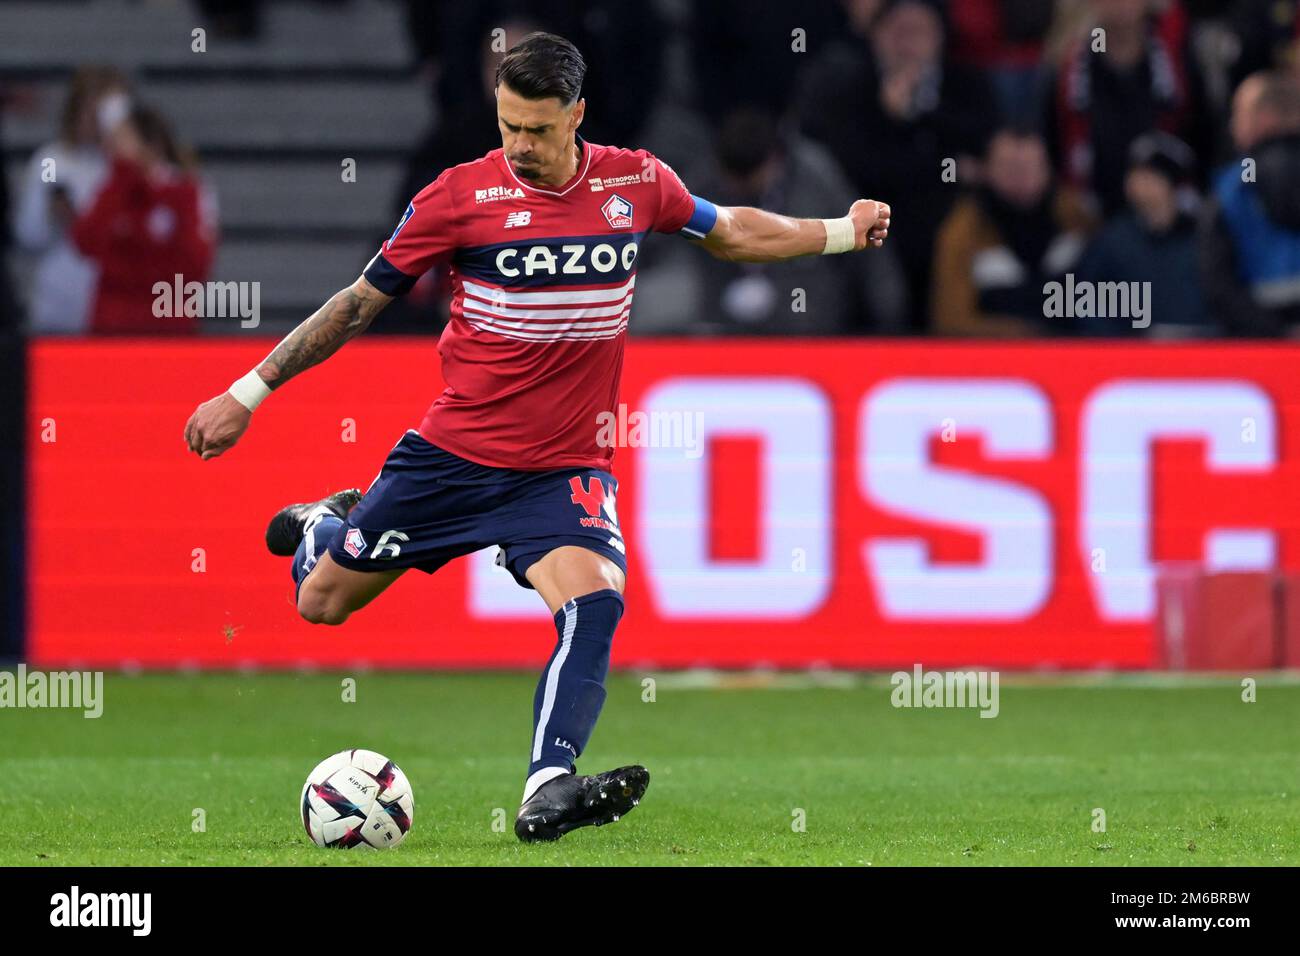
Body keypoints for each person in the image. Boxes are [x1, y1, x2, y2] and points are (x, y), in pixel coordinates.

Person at [182, 33, 892, 842]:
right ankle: (322, 526)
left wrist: (838, 231)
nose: (519, 146)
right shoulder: (456, 198)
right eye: (508, 125)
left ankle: (547, 784)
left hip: (561, 468)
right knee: (321, 605)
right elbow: (357, 303)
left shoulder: (636, 181)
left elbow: (731, 230)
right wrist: (249, 391)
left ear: (577, 116)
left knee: (597, 601)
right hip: (452, 458)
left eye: (538, 129)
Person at [931, 127, 1091, 336]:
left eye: (1030, 166)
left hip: (1075, 352)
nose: (1020, 176)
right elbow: (950, 320)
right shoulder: (962, 230)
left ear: (1048, 168)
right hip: (993, 356)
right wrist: (1028, 336)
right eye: (1008, 166)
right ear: (986, 169)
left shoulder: (1077, 218)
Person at [70, 105, 216, 334]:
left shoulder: (188, 192)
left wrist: (133, 267)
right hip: (111, 327)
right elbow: (84, 241)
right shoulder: (110, 187)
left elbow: (196, 263)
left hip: (168, 328)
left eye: (122, 138)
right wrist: (120, 183)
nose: (112, 146)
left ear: (152, 144)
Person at [13, 66, 129, 334]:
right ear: (76, 110)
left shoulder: (129, 169)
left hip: (119, 310)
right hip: (59, 306)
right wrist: (52, 217)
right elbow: (27, 235)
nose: (99, 122)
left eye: (107, 114)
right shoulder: (52, 161)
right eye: (92, 110)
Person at [1076, 130, 1213, 336]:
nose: (1137, 185)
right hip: (1134, 356)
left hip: (1201, 348)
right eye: (1134, 175)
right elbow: (1084, 299)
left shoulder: (1202, 238)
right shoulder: (1115, 239)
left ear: (1169, 184)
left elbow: (1224, 294)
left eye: (1148, 176)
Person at [1200, 70, 1300, 336]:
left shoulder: (1234, 187)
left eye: (1239, 113)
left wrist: (1278, 335)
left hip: (1263, 352)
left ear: (1265, 117)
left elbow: (1218, 285)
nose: (1232, 126)